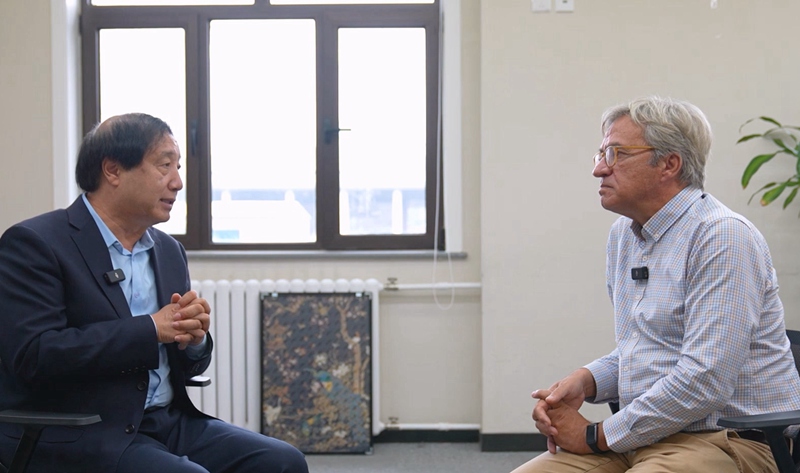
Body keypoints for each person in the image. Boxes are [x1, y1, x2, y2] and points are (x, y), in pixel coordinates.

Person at [0, 113, 309, 473]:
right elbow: (35, 356)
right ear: (113, 170)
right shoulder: (36, 243)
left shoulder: (168, 250)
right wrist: (151, 329)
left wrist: (194, 340)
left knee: (283, 462)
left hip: (166, 420)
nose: (177, 182)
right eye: (165, 166)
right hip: (81, 430)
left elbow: (185, 361)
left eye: (178, 167)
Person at [511, 96, 800, 473]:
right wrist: (586, 381)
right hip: (643, 434)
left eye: (616, 154)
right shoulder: (624, 236)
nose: (599, 169)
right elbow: (645, 348)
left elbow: (704, 380)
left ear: (669, 164)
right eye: (600, 153)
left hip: (728, 440)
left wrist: (595, 436)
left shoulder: (722, 236)